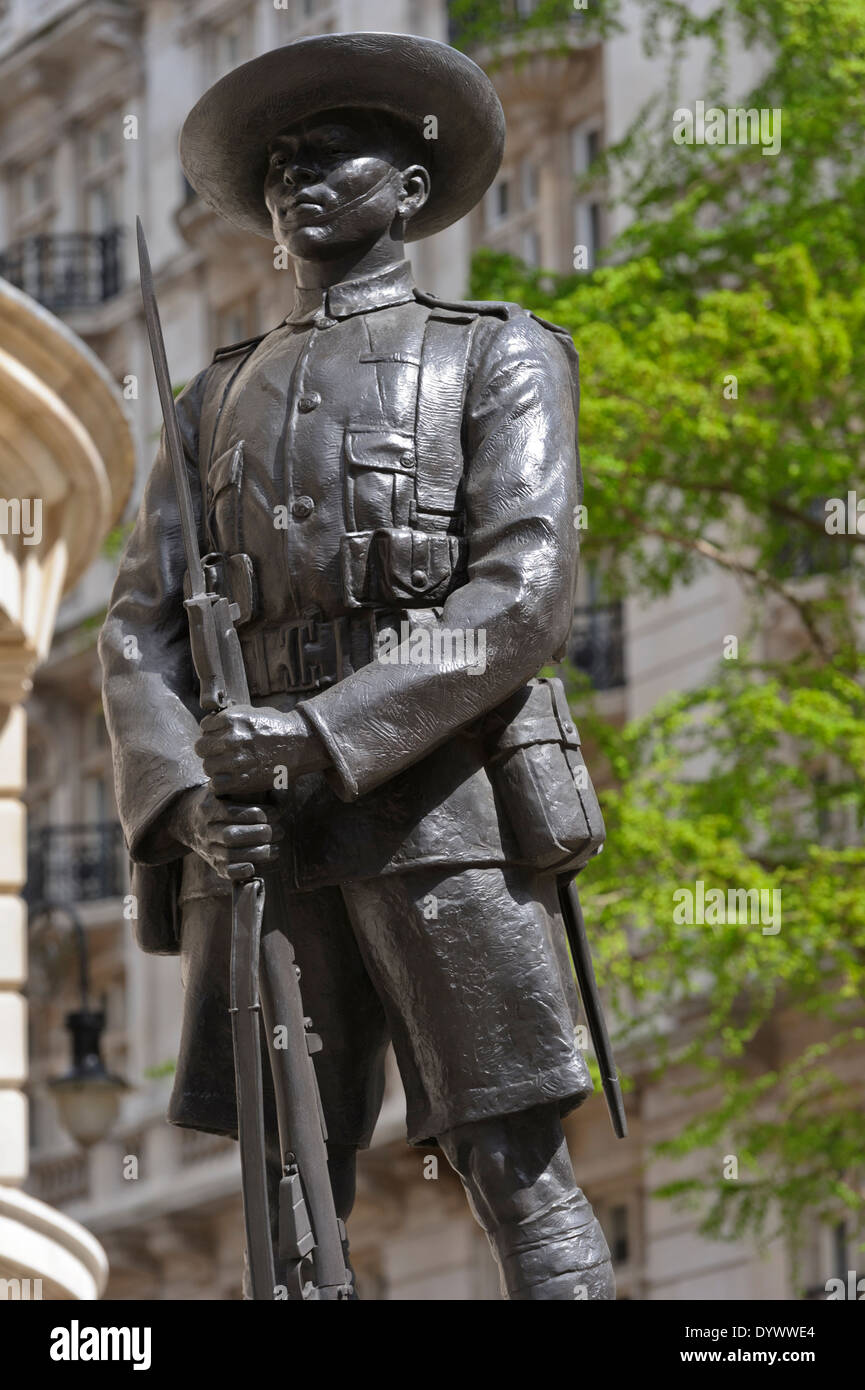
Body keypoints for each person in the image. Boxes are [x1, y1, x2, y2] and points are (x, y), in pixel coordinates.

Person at [100, 31, 615, 1300]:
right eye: (280, 162)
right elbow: (136, 626)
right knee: (291, 1187)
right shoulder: (205, 400)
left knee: (510, 1156)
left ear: (410, 182)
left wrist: (326, 733)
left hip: (439, 803)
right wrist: (183, 801)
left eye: (334, 151)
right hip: (257, 833)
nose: (299, 176)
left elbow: (521, 588)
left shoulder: (497, 352)